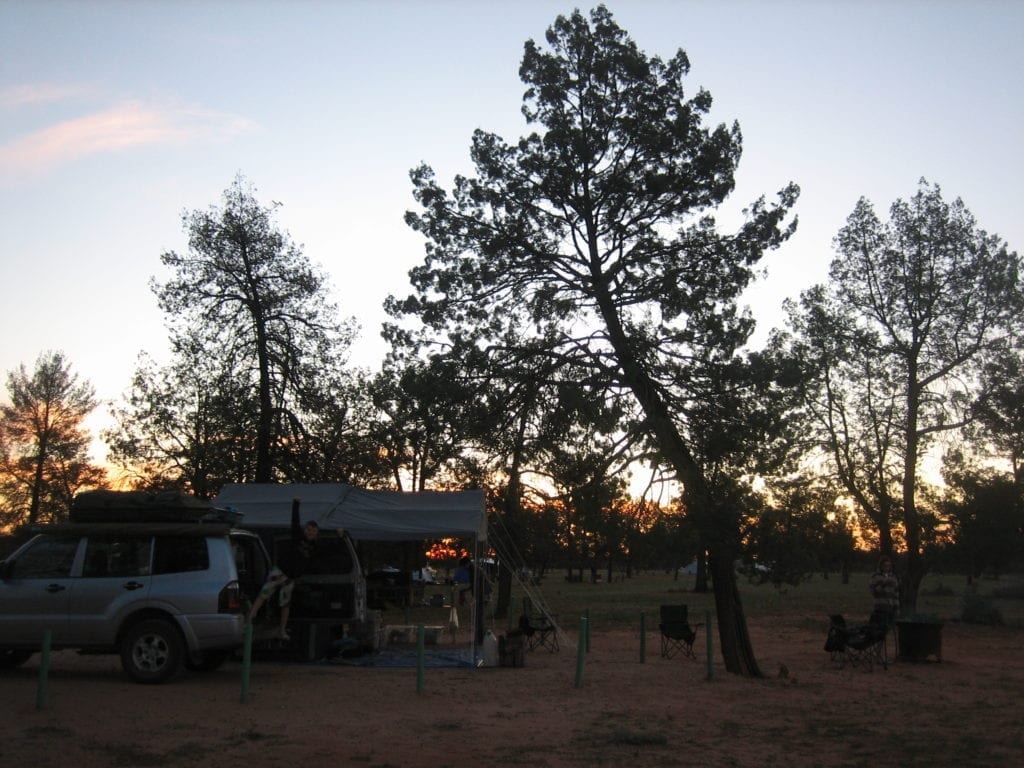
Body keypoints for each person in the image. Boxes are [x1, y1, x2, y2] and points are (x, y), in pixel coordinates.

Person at [869, 555, 899, 630]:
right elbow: (873, 591)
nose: (887, 567)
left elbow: (896, 593)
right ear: (881, 566)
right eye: (885, 565)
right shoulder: (875, 576)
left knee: (889, 629)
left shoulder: (893, 577)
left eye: (889, 565)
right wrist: (883, 585)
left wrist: (896, 607)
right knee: (879, 629)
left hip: (890, 607)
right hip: (880, 607)